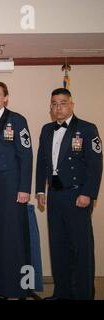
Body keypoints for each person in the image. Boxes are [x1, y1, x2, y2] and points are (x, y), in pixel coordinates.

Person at [36, 88, 102, 300]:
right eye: (54, 104)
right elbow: (42, 163)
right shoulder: (46, 130)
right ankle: (61, 293)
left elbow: (95, 165)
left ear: (72, 104)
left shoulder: (87, 129)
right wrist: (39, 189)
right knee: (58, 247)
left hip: (77, 197)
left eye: (63, 103)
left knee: (80, 249)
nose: (58, 107)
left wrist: (88, 194)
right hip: (54, 196)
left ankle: (83, 295)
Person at [0, 81, 33, 300]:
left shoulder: (17, 120)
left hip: (12, 183)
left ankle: (20, 288)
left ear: (6, 97)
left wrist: (24, 188)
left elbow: (26, 156)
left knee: (15, 238)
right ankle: (0, 288)